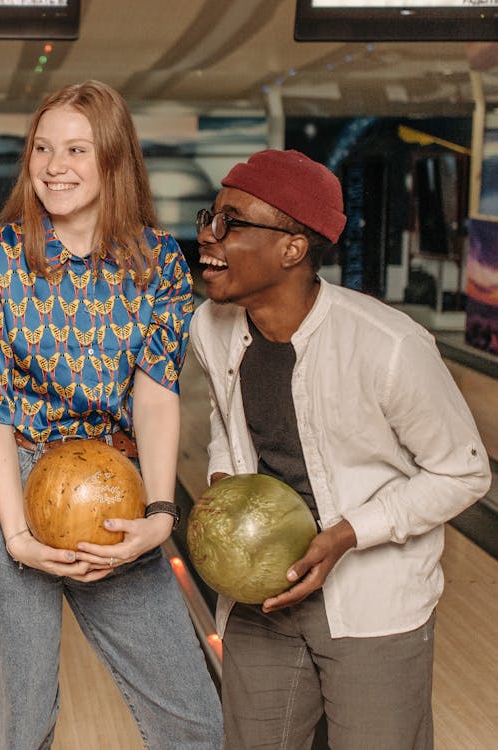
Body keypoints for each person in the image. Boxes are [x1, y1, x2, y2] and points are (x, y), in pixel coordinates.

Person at [190, 148, 492, 749]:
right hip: (261, 598)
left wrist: (350, 532)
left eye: (232, 222)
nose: (207, 236)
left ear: (292, 247)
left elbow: (465, 473)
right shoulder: (211, 326)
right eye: (209, 217)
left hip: (370, 605)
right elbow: (224, 417)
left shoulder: (389, 348)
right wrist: (225, 476)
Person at [0, 80, 223, 750]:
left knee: (193, 721)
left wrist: (159, 517)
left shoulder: (158, 261)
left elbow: (156, 392)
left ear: (112, 160)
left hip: (115, 488)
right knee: (20, 727)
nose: (54, 165)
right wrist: (17, 538)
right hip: (13, 481)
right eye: (43, 148)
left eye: (76, 148)